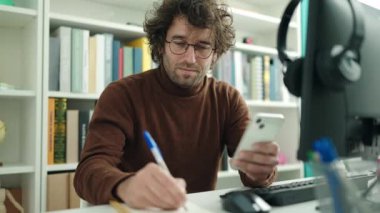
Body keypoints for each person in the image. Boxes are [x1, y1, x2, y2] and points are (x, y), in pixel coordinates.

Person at [74, 0, 279, 210]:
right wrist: (125, 186)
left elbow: (253, 177)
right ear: (161, 44)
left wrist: (260, 169)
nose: (190, 59)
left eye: (202, 47)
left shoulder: (228, 99)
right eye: (179, 43)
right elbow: (87, 172)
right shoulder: (121, 95)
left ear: (216, 53)